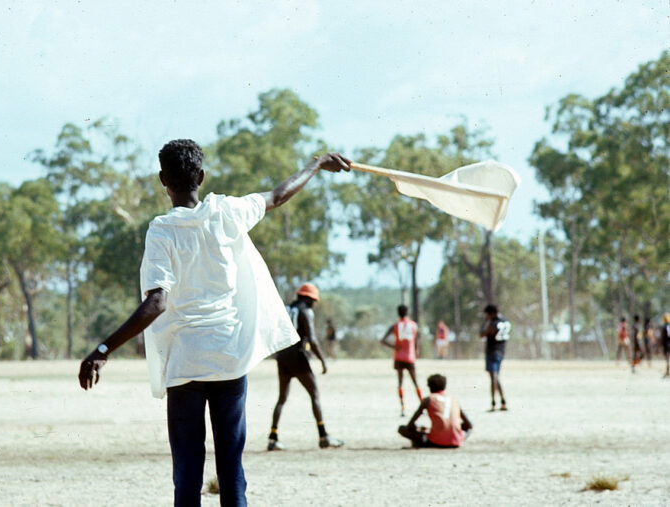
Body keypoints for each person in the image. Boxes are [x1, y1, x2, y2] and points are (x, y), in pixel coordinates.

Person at [77, 139, 351, 506]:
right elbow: (278, 195)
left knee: (187, 476)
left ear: (163, 180)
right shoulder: (228, 212)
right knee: (231, 472)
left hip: (185, 365)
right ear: (202, 176)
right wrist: (315, 165)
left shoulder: (162, 231)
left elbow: (156, 302)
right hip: (228, 360)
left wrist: (104, 348)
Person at [268, 283, 344, 451]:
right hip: (297, 356)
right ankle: (323, 436)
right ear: (309, 299)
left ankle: (273, 438)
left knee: (282, 398)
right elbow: (312, 339)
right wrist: (323, 360)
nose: (314, 304)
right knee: (314, 394)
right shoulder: (306, 311)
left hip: (282, 356)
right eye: (313, 301)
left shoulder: (287, 308)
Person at [397, 373, 473, 448]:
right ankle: (456, 436)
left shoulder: (428, 399)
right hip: (456, 440)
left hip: (436, 441)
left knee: (402, 429)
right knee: (466, 428)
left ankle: (422, 442)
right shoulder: (453, 399)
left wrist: (418, 429)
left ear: (429, 387)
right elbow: (469, 425)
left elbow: (410, 424)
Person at [381, 304, 422, 417]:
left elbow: (383, 340)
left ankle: (403, 408)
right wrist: (416, 351)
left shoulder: (395, 326)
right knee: (415, 383)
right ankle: (422, 407)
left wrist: (394, 347)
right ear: (407, 312)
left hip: (398, 357)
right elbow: (416, 341)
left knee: (400, 383)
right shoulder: (413, 325)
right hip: (410, 357)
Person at [480, 304, 509, 411]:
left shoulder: (493, 323)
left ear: (491, 313)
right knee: (496, 376)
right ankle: (503, 401)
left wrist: (485, 325)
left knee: (494, 377)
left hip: (492, 351)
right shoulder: (506, 321)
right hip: (501, 351)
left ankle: (493, 402)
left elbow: (483, 334)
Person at [660, 313, 670, 378]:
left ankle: (667, 371)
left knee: (667, 358)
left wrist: (661, 344)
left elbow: (663, 337)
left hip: (666, 344)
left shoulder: (664, 327)